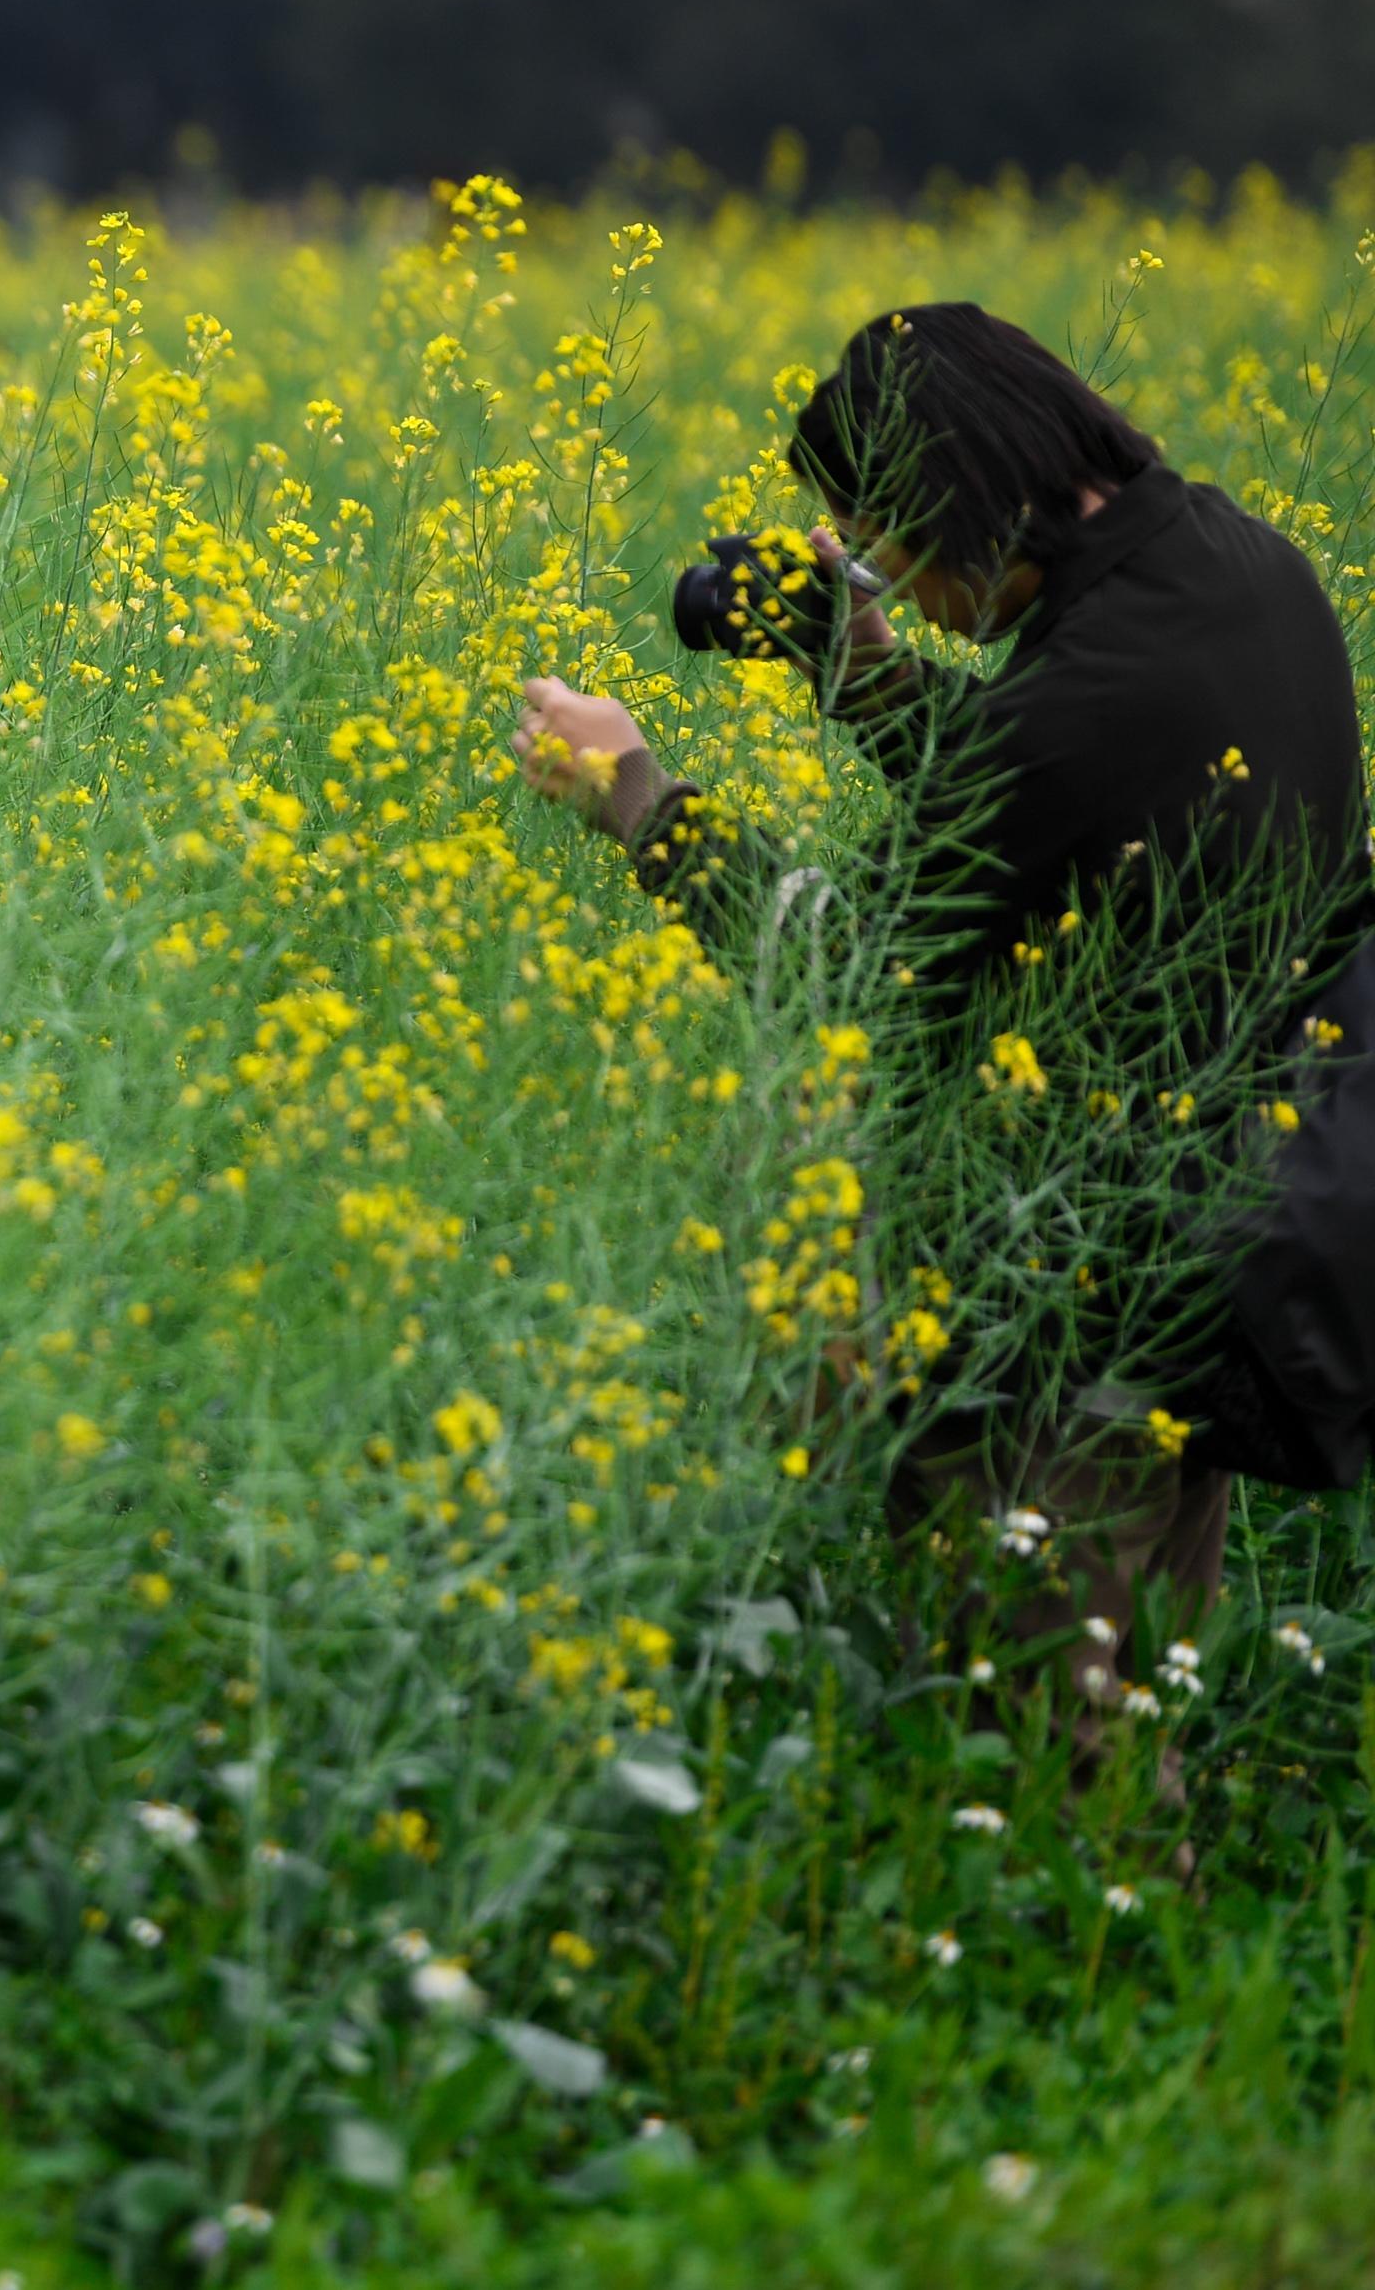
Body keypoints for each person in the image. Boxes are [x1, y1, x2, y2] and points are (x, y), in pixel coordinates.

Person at [509, 305, 1368, 1750]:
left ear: (951, 502)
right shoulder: (1242, 569)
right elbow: (1070, 818)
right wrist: (867, 674)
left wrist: (642, 802)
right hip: (1224, 1251)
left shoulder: (1072, 704)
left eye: (879, 539)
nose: (883, 574)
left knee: (1044, 1759)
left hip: (1065, 1301)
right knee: (1133, 1731)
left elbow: (852, 971)